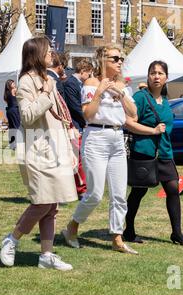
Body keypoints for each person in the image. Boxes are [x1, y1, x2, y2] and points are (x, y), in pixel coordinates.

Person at [0, 37, 78, 271]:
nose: (52, 53)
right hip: (36, 150)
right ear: (37, 54)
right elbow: (28, 116)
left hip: (55, 148)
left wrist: (69, 148)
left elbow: (57, 117)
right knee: (42, 202)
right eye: (48, 50)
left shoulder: (46, 79)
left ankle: (46, 255)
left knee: (52, 205)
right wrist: (45, 93)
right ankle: (11, 239)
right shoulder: (25, 82)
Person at [61, 45, 139, 254]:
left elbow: (134, 114)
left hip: (117, 138)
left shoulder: (122, 85)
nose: (119, 62)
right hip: (96, 137)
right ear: (102, 59)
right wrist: (100, 92)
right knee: (94, 193)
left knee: (119, 193)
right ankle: (72, 227)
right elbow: (87, 114)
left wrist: (120, 94)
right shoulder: (91, 83)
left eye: (121, 58)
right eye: (115, 58)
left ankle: (117, 237)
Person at [123, 60, 183, 246]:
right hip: (144, 153)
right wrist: (152, 131)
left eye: (160, 73)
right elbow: (128, 123)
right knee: (138, 192)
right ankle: (128, 230)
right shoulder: (140, 97)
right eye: (153, 73)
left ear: (166, 78)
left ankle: (177, 233)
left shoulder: (165, 101)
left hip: (165, 154)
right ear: (148, 76)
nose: (156, 76)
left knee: (173, 190)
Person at [63, 59, 94, 198]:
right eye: (88, 74)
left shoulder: (78, 83)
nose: (89, 78)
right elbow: (75, 106)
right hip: (75, 125)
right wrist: (87, 119)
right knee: (77, 159)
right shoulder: (71, 83)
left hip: (80, 124)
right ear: (82, 71)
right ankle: (80, 189)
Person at [3, 79, 20, 150]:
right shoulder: (14, 90)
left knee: (11, 127)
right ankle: (16, 144)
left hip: (9, 110)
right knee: (16, 127)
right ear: (9, 85)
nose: (14, 84)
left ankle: (12, 144)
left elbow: (6, 101)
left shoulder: (6, 93)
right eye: (13, 83)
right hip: (14, 110)